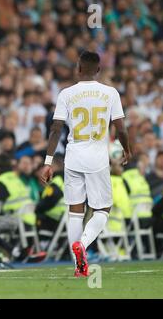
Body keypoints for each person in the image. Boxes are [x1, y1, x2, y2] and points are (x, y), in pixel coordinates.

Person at [40, 51, 132, 277]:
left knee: (75, 210)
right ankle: (83, 243)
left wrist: (48, 162)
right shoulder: (110, 93)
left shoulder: (66, 94)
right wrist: (127, 149)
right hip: (98, 159)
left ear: (78, 68)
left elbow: (56, 130)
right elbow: (120, 128)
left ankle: (77, 266)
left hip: (73, 156)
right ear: (98, 70)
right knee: (102, 208)